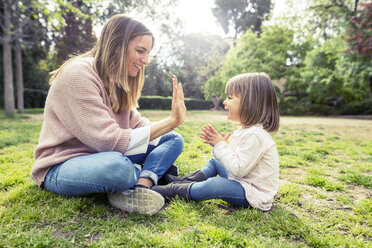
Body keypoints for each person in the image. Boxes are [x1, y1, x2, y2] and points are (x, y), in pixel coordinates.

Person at [30, 14, 186, 215]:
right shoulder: (78, 74)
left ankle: (141, 186)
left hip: (104, 153)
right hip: (62, 164)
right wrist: (170, 121)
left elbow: (137, 125)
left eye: (148, 53)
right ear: (117, 45)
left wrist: (168, 127)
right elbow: (108, 141)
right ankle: (145, 172)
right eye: (140, 51)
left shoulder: (118, 82)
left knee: (173, 139)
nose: (145, 60)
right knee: (119, 168)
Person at [152, 72, 280, 211]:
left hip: (253, 194)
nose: (224, 102)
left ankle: (174, 190)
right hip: (243, 182)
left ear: (250, 103)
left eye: (230, 98)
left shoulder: (256, 136)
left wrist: (221, 145)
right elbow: (239, 162)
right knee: (216, 161)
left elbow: (238, 169)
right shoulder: (248, 131)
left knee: (215, 185)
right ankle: (186, 181)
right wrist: (225, 147)